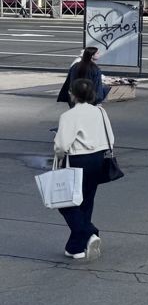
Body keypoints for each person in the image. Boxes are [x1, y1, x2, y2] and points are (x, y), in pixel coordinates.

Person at [53, 78, 115, 260]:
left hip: (77, 160)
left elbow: (62, 146)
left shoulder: (69, 116)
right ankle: (75, 248)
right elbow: (110, 137)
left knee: (65, 203)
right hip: (98, 160)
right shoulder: (100, 112)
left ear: (73, 95)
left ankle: (90, 232)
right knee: (86, 201)